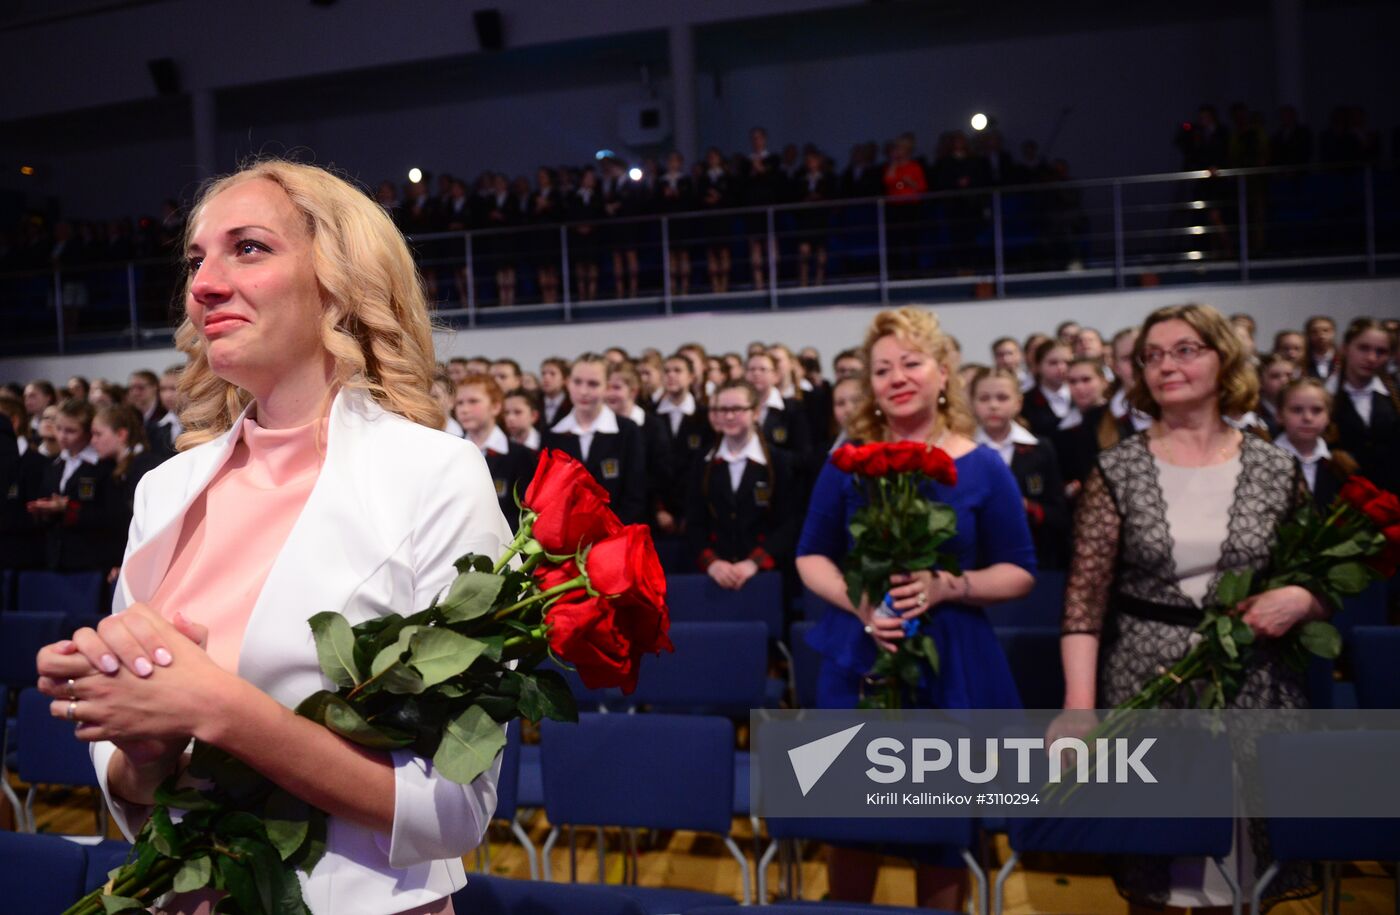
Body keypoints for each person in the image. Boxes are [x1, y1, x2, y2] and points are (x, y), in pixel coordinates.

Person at [34, 160, 511, 915]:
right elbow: (130, 786)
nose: (204, 284)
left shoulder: (436, 475)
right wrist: (138, 736)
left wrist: (220, 709)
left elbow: (457, 809)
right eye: (195, 259)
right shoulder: (166, 491)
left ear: (338, 278)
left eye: (247, 248)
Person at [1057, 302, 1326, 912]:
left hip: (1255, 684)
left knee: (1247, 872)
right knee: (1157, 875)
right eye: (1152, 355)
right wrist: (1078, 709)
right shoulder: (1118, 469)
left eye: (1184, 350)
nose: (1164, 365)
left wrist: (1302, 599)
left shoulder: (1274, 466)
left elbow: (1319, 572)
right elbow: (1084, 600)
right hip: (1148, 686)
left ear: (1223, 357)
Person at [795, 307, 1035, 909]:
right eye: (882, 368)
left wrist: (951, 585)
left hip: (950, 661)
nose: (896, 377)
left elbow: (1020, 570)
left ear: (943, 370)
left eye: (911, 362)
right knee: (849, 826)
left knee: (942, 833)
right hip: (860, 657)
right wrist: (862, 604)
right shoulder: (847, 460)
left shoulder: (982, 465)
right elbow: (810, 556)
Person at [685, 380, 800, 588]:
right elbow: (694, 522)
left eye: (737, 409)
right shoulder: (703, 461)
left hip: (767, 577)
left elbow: (789, 523)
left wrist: (753, 563)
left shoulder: (780, 461)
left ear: (755, 412)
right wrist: (713, 564)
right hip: (715, 576)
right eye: (722, 410)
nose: (729, 416)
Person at [971, 368, 1069, 570]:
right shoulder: (965, 449)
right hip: (978, 558)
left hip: (1032, 555)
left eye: (1002, 398)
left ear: (1018, 403)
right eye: (984, 398)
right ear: (972, 403)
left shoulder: (1040, 448)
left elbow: (1058, 512)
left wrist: (1027, 506)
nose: (993, 405)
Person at [542, 352, 647, 524]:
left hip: (613, 535)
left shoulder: (627, 431)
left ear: (606, 387)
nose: (583, 391)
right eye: (577, 382)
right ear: (568, 383)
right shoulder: (552, 433)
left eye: (593, 384)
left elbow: (635, 493)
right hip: (564, 540)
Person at [28, 397, 109, 572]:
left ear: (88, 433)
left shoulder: (102, 467)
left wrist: (68, 508)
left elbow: (110, 516)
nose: (62, 436)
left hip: (89, 559)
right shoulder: (54, 465)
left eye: (71, 431)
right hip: (55, 558)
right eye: (58, 429)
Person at [454, 374, 538, 533]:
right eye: (459, 403)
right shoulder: (451, 451)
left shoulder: (520, 456)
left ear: (495, 407)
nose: (464, 409)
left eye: (473, 401)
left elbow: (526, 511)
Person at [1326, 317, 1399, 495]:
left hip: (1390, 495)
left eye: (1381, 352)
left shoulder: (1393, 396)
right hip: (1341, 497)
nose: (1371, 358)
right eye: (1363, 348)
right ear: (1345, 348)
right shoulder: (1326, 396)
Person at [89, 403, 161, 581]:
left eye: (98, 434)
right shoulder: (107, 468)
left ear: (121, 434)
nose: (93, 441)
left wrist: (128, 563)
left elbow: (141, 523)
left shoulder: (146, 467)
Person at [1275, 378, 1356, 510]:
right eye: (1297, 410)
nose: (1308, 417)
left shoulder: (1339, 465)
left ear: (1328, 416)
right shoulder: (1264, 461)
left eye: (1317, 410)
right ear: (1279, 415)